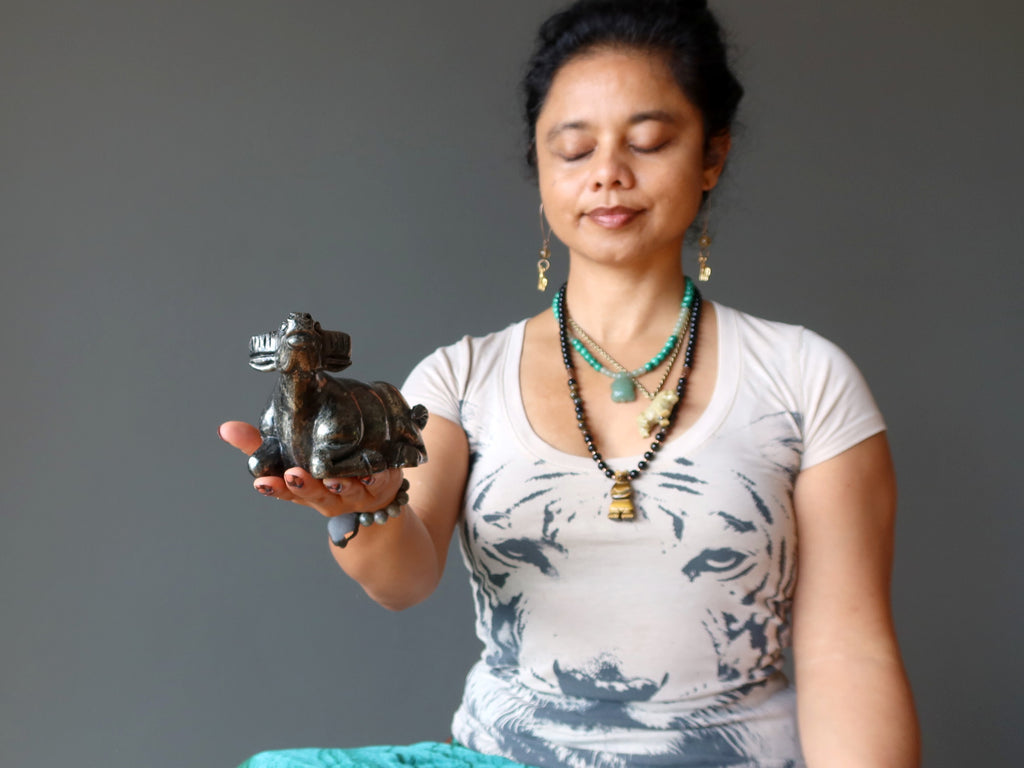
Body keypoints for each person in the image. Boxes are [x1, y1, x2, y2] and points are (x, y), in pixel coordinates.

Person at [221, 1, 920, 766]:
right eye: (574, 149)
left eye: (649, 142)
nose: (609, 175)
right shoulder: (461, 377)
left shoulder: (806, 378)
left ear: (712, 156)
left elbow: (848, 653)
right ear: (541, 167)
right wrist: (362, 503)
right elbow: (405, 579)